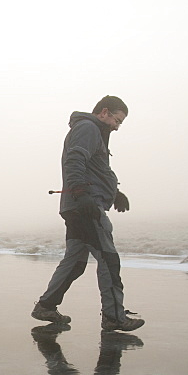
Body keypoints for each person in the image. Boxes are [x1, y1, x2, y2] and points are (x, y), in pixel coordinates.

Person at [31, 95, 145, 331]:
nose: (117, 126)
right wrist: (82, 195)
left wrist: (115, 192)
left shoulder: (93, 131)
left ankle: (46, 306)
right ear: (104, 112)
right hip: (85, 206)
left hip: (78, 205)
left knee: (75, 261)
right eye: (117, 120)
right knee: (108, 259)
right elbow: (75, 160)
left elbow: (97, 169)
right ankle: (114, 316)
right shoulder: (88, 128)